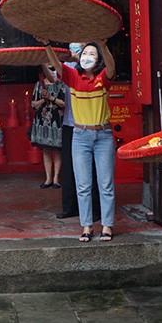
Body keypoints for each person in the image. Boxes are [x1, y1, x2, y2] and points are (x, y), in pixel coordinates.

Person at [42, 38, 116, 243]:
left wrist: (104, 46)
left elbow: (111, 65)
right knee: (83, 185)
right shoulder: (73, 77)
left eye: (92, 53)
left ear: (99, 59)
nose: (87, 56)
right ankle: (87, 226)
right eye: (85, 53)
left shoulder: (104, 77)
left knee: (105, 184)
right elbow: (57, 65)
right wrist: (47, 45)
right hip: (80, 137)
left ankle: (107, 225)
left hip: (103, 136)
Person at [52, 43, 101, 220]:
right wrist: (43, 60)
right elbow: (53, 75)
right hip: (69, 124)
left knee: (93, 169)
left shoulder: (94, 69)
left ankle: (95, 211)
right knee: (70, 168)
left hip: (89, 125)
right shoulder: (69, 68)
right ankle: (70, 207)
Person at [29, 64, 66, 189]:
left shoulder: (61, 84)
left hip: (56, 121)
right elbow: (33, 104)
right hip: (42, 122)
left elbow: (64, 103)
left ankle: (56, 178)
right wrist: (44, 100)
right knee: (45, 150)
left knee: (57, 151)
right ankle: (48, 178)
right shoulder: (39, 85)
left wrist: (51, 98)